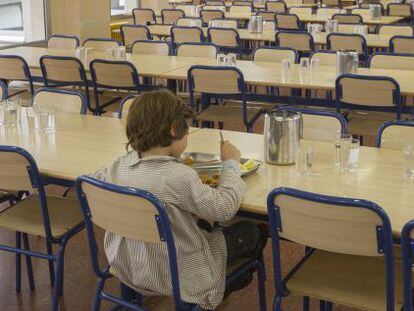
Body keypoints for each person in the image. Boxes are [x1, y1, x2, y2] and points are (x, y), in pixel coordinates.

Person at [92, 89, 267, 310]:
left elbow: (92, 179)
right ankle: (222, 286)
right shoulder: (179, 177)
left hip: (126, 265)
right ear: (174, 130)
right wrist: (231, 163)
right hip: (175, 274)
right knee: (252, 232)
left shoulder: (118, 166)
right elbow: (224, 208)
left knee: (198, 223)